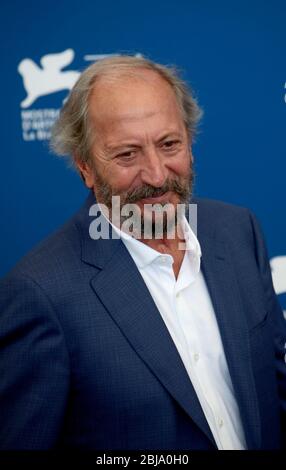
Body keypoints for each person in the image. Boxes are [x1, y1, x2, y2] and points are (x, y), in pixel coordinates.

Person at [0, 55, 285, 450]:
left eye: (169, 144)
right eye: (127, 154)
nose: (155, 175)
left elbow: (274, 387)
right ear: (85, 167)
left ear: (189, 139)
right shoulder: (40, 294)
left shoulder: (239, 232)